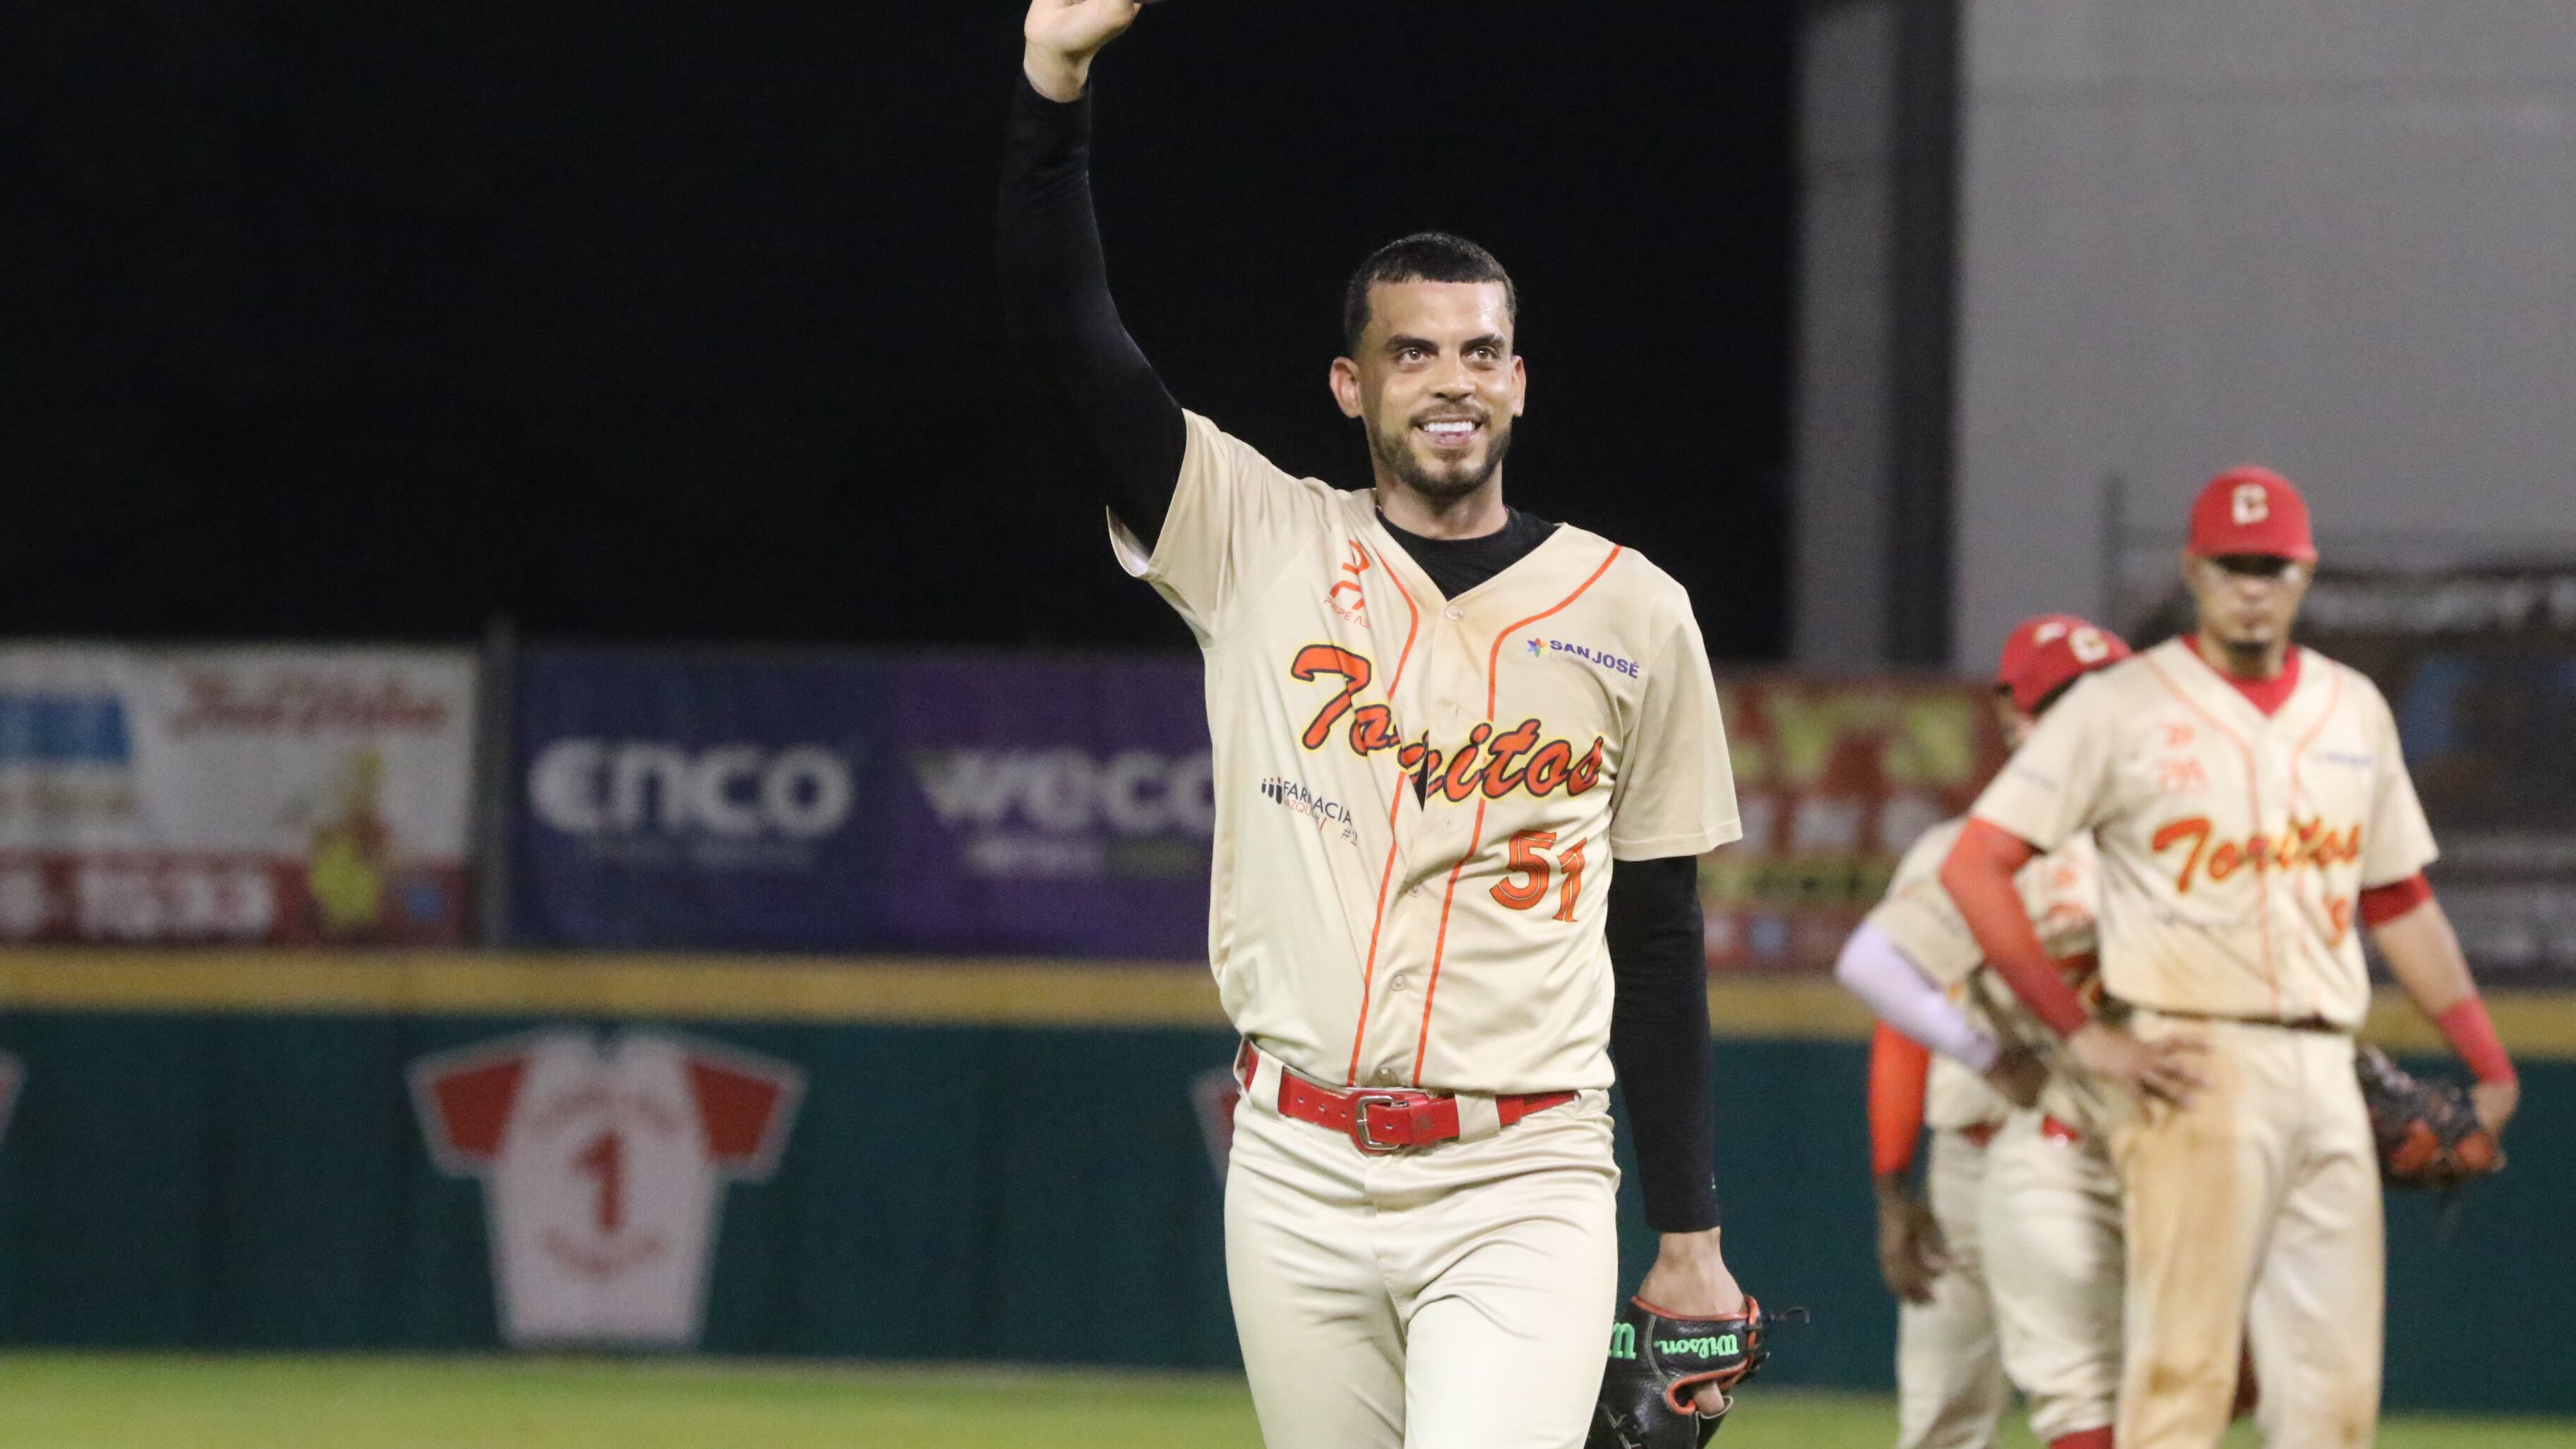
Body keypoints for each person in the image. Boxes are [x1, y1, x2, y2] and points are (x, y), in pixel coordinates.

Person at [999, 5, 1754, 1446]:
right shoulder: (1254, 541)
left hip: (1520, 1170)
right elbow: (1065, 333)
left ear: (1519, 379)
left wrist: (1692, 1233)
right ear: (1354, 387)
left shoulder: (1634, 608)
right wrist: (1054, 87)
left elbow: (1656, 929)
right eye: (1413, 354)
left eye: (1480, 351)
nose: (1453, 379)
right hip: (1291, 1164)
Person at [1940, 467, 2522, 1448]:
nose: (2253, 585)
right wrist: (2084, 1036)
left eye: (2273, 566)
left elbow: (2395, 896)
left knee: (2333, 1398)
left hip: (2330, 1067)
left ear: (2304, 575)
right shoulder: (2121, 706)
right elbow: (1977, 865)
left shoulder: (2352, 708)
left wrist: (2488, 1058)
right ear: (2195, 571)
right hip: (2194, 1063)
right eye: (2233, 565)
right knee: (2182, 1382)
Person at [1835, 615, 2122, 1449]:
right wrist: (1895, 1188)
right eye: (2071, 698)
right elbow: (1898, 1013)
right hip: (1975, 1150)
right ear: (2016, 715)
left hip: (2113, 1143)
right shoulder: (1958, 852)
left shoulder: (2150, 839)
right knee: (1944, 1419)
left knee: (2122, 1390)